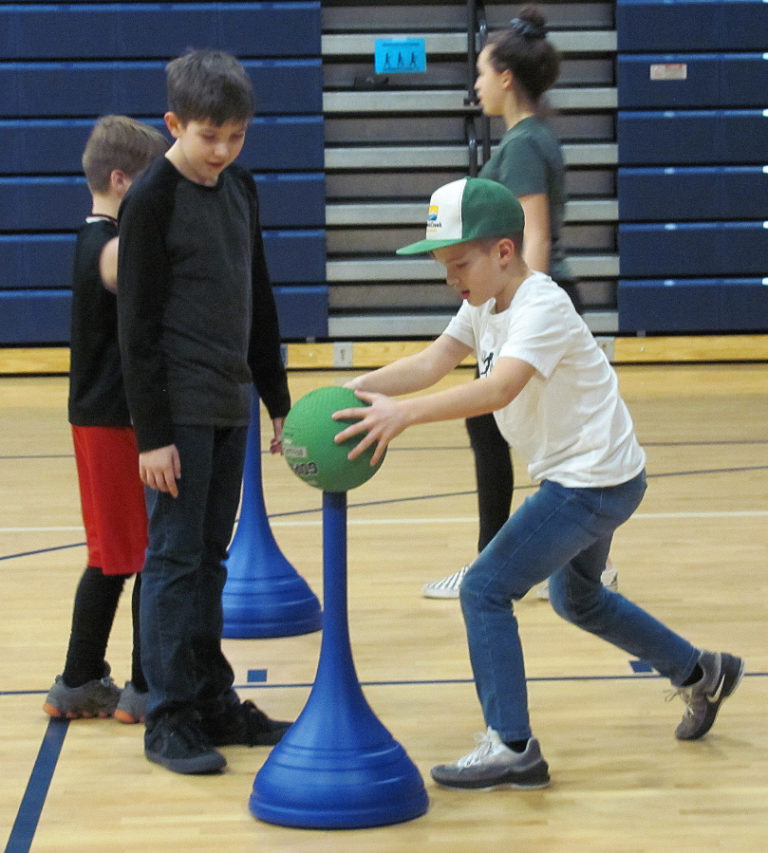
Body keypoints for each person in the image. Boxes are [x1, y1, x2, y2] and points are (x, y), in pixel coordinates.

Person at [334, 177, 744, 790]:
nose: (451, 278)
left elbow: (499, 390)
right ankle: (701, 672)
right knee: (576, 598)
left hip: (590, 483)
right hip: (599, 474)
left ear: (503, 251)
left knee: (484, 590)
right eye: (444, 266)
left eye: (458, 263)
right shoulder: (482, 303)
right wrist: (354, 390)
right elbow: (431, 362)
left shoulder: (541, 306)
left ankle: (513, 746)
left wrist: (404, 416)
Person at [116, 49, 292, 775]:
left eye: (236, 136)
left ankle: (212, 698)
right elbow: (137, 325)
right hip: (178, 417)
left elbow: (257, 296)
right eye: (208, 136)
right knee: (174, 563)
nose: (222, 151)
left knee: (210, 563)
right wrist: (153, 437)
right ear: (173, 124)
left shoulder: (240, 189)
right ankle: (169, 715)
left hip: (229, 406)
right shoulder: (151, 198)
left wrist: (276, 395)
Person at [421, 6, 617, 601]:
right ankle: (580, 562)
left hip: (535, 301)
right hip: (530, 299)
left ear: (506, 77)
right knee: (528, 435)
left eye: (481, 72)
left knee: (507, 432)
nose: (475, 84)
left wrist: (514, 306)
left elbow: (534, 237)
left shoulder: (527, 142)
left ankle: (493, 565)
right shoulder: (527, 137)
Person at [43, 116, 169, 724]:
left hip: (97, 419)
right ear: (121, 181)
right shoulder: (108, 247)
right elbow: (134, 268)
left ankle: (80, 678)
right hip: (115, 423)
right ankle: (143, 688)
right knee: (142, 555)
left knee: (111, 555)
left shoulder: (91, 237)